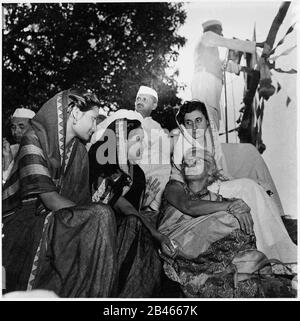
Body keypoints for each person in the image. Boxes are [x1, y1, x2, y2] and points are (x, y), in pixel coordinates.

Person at [2, 89, 117, 297]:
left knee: (100, 217)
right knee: (100, 215)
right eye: (92, 119)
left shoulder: (79, 151)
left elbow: (79, 201)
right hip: (25, 219)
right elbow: (49, 198)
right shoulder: (34, 137)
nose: (94, 127)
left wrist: (92, 210)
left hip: (58, 215)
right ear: (74, 113)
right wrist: (91, 213)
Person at [158, 147, 296, 298]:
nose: (188, 164)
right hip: (175, 244)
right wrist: (231, 206)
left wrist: (239, 207)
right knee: (230, 218)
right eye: (186, 162)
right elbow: (188, 206)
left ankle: (237, 271)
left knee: (252, 258)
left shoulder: (217, 200)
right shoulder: (175, 187)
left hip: (208, 257)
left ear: (209, 170)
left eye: (195, 160)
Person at [171, 100, 297, 264]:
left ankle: (272, 247)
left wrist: (228, 179)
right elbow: (193, 183)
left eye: (198, 121)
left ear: (207, 121)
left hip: (214, 185)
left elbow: (221, 171)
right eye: (189, 123)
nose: (194, 128)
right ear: (184, 125)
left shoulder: (210, 138)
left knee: (254, 187)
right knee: (247, 187)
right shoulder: (183, 144)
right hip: (199, 192)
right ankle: (267, 252)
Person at [89, 109, 174, 297]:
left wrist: (144, 202)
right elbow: (120, 205)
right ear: (119, 141)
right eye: (136, 140)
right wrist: (155, 233)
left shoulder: (139, 174)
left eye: (143, 141)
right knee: (137, 225)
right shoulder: (101, 163)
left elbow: (132, 208)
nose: (142, 146)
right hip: (98, 230)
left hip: (126, 229)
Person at [191, 19, 257, 129]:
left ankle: (211, 143)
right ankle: (207, 143)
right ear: (213, 29)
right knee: (208, 114)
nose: (222, 33)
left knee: (212, 116)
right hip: (205, 81)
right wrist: (255, 46)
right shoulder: (207, 36)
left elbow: (220, 63)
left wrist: (243, 69)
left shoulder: (207, 47)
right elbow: (227, 42)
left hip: (207, 81)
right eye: (220, 30)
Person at [134, 85, 172, 211]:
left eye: (145, 99)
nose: (140, 101)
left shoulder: (155, 126)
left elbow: (165, 150)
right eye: (138, 99)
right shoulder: (127, 117)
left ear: (154, 106)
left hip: (149, 172)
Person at [2, 108, 36, 185]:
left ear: (33, 127)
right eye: (13, 127)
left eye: (21, 127)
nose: (16, 131)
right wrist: (7, 157)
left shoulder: (40, 150)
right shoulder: (11, 149)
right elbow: (5, 184)